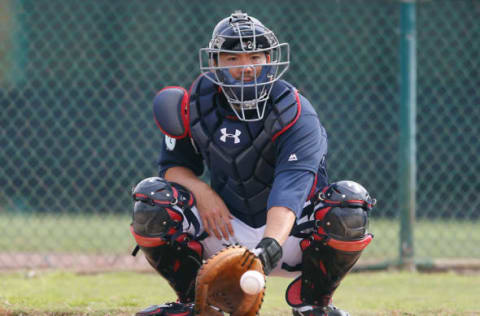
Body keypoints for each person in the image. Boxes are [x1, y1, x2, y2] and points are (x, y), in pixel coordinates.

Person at [130, 11, 376, 316]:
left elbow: (291, 187)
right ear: (215, 63)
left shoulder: (295, 112)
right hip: (224, 227)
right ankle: (195, 303)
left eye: (255, 56)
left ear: (269, 59)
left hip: (292, 234)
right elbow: (172, 167)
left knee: (349, 203)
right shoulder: (194, 102)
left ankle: (314, 303)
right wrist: (202, 192)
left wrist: (270, 244)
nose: (245, 67)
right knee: (152, 199)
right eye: (233, 58)